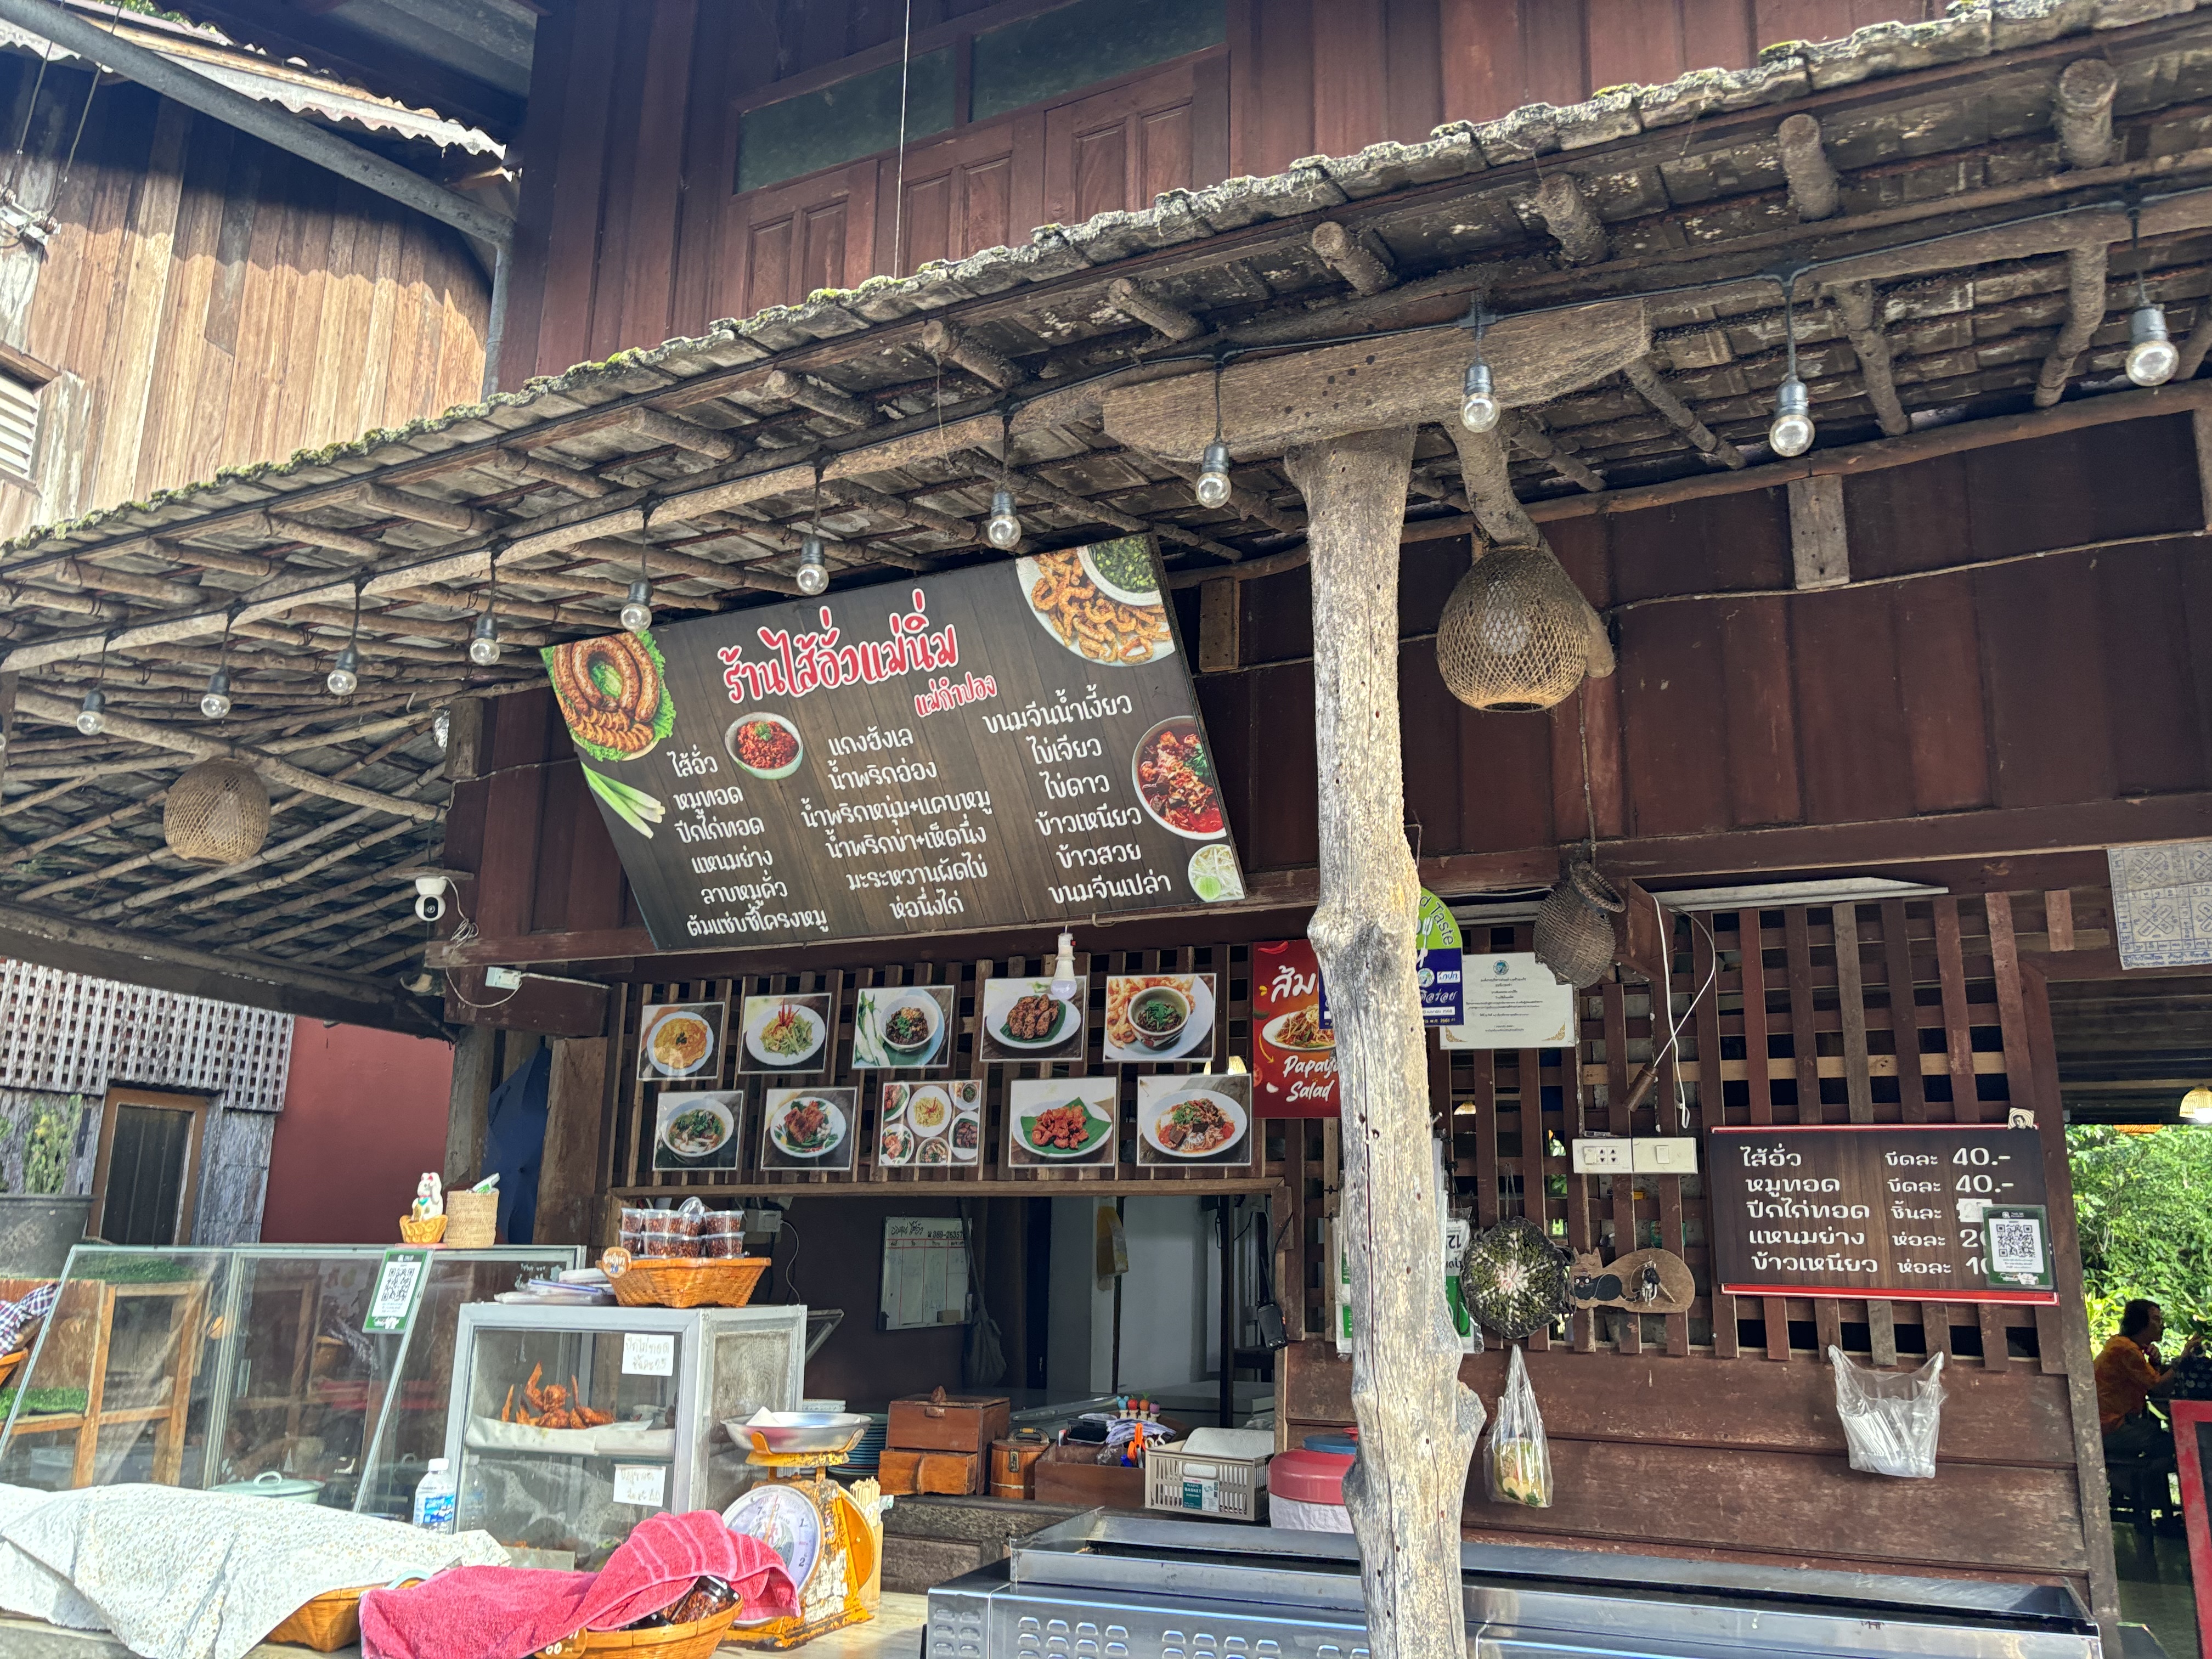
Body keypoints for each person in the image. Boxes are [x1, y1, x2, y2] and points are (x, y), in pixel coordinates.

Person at [2096, 1299, 2200, 1465]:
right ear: (2140, 1322)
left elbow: (2152, 1382)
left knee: (2157, 1432)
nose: (2162, 1325)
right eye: (2156, 1319)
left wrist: (2155, 1364)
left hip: (2114, 1421)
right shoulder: (2126, 1350)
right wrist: (2183, 1358)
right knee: (2174, 1444)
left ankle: (2145, 1476)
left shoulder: (2123, 1345)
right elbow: (2159, 1388)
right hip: (2110, 1427)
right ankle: (2145, 1477)